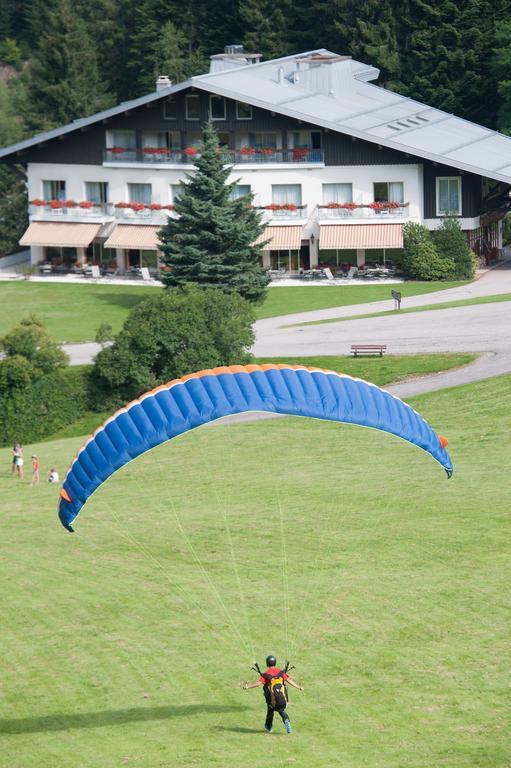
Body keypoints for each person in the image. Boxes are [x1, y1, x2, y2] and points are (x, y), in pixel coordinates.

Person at [243, 655, 303, 734]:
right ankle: (285, 720)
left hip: (273, 700)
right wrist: (299, 687)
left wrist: (247, 686)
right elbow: (289, 681)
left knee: (271, 708)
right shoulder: (281, 672)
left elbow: (258, 684)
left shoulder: (266, 674)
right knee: (280, 709)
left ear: (267, 663)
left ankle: (269, 726)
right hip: (283, 699)